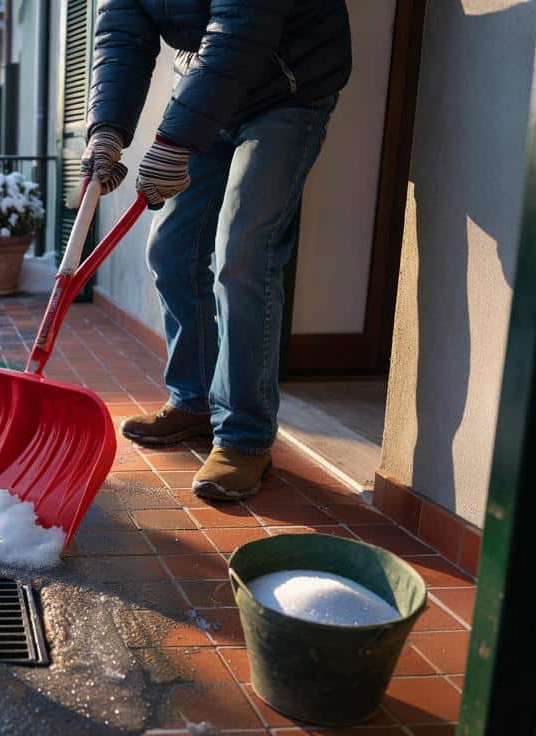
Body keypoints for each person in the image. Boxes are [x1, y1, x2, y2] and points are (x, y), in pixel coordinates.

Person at [81, 0, 352, 501]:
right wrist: (107, 130)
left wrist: (174, 139)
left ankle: (244, 437)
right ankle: (194, 400)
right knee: (170, 248)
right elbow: (121, 36)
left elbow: (244, 26)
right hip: (210, 85)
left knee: (243, 252)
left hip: (287, 85)